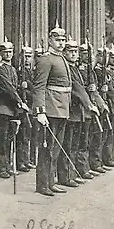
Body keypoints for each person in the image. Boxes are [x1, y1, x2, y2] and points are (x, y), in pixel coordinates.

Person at [32, 21, 71, 196]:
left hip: (62, 108)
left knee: (55, 148)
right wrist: (40, 111)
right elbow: (39, 87)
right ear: (50, 40)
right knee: (47, 148)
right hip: (50, 109)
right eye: (57, 40)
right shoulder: (46, 59)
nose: (61, 43)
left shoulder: (62, 58)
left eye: (63, 40)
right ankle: (42, 185)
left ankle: (50, 181)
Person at [0, 39, 28, 179]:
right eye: (5, 52)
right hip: (2, 108)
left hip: (11, 109)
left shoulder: (12, 69)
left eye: (10, 52)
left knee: (9, 139)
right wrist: (19, 101)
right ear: (0, 53)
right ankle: (0, 167)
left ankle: (7, 165)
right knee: (1, 139)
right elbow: (7, 88)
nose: (8, 54)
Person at [62, 37, 100, 186]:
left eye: (75, 52)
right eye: (70, 51)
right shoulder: (68, 68)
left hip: (79, 111)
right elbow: (77, 88)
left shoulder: (75, 68)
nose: (73, 54)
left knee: (77, 144)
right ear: (65, 53)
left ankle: (75, 171)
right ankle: (67, 176)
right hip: (71, 110)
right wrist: (89, 104)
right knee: (69, 145)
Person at [77, 41, 110, 176]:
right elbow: (78, 89)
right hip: (83, 109)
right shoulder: (80, 70)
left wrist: (101, 104)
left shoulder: (91, 71)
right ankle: (83, 168)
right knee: (83, 140)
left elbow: (95, 91)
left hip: (92, 108)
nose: (87, 56)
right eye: (85, 53)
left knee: (94, 136)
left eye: (89, 54)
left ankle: (93, 164)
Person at [15, 45, 36, 172]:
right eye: (25, 56)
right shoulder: (18, 72)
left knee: (29, 134)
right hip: (22, 107)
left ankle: (26, 159)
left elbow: (34, 89)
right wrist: (20, 86)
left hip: (31, 106)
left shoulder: (32, 72)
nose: (27, 59)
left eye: (29, 56)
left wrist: (28, 87)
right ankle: (20, 161)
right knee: (22, 135)